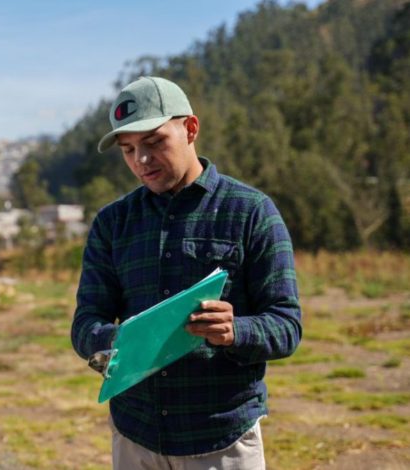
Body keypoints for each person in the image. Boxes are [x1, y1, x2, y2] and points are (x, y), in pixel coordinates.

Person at [71, 76, 302, 469]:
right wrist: (120, 342)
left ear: (190, 128)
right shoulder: (112, 223)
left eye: (154, 143)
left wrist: (236, 331)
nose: (141, 162)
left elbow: (286, 325)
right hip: (136, 437)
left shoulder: (251, 212)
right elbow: (84, 325)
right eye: (128, 150)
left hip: (221, 439)